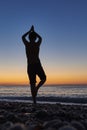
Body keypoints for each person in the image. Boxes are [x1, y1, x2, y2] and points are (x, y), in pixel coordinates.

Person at [22, 25, 46, 104]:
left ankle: (34, 101)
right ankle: (37, 88)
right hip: (37, 64)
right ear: (35, 38)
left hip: (30, 66)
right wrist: (34, 31)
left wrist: (30, 31)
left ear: (29, 38)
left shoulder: (27, 44)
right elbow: (41, 38)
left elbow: (22, 37)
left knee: (32, 84)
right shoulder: (37, 44)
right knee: (43, 79)